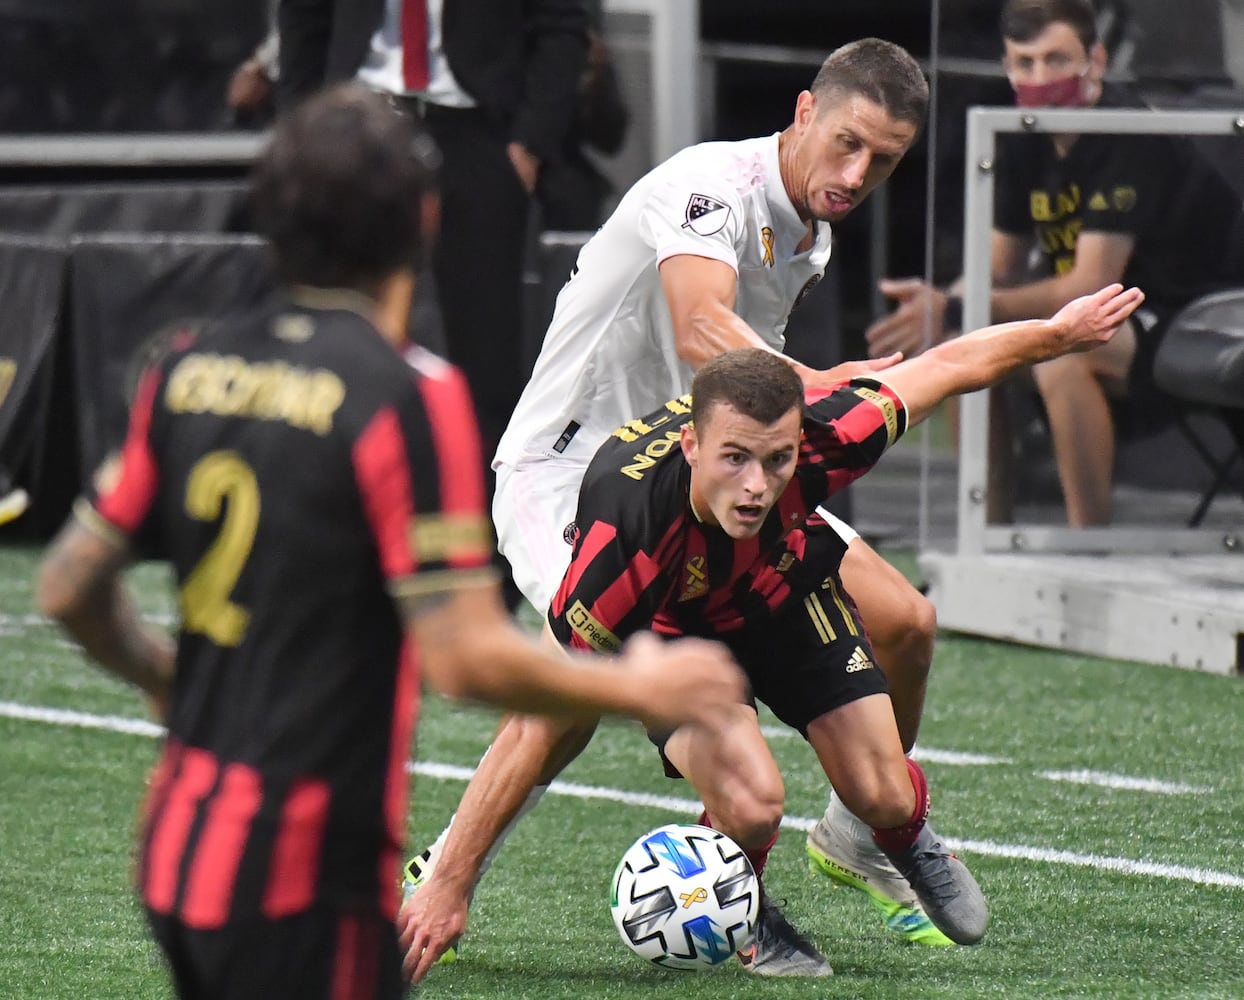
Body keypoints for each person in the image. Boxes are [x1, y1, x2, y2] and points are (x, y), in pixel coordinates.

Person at [33, 84, 745, 1000]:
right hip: (303, 873)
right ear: (425, 220)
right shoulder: (404, 394)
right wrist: (637, 683)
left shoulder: (186, 365)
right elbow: (462, 656)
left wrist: (167, 677)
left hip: (176, 848)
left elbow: (66, 584)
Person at [398, 37, 963, 976]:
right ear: (802, 113)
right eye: (849, 144)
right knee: (575, 678)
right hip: (575, 476)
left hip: (718, 475)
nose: (859, 174)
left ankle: (851, 837)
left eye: (887, 160)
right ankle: (448, 874)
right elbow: (706, 330)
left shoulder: (811, 228)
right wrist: (828, 387)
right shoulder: (710, 185)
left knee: (904, 622)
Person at [402, 283, 1145, 982]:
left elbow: (947, 365)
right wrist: (450, 882)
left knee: (885, 785)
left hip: (784, 598)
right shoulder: (622, 532)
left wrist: (1058, 333)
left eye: (777, 460)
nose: (757, 485)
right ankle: (745, 904)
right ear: (691, 447)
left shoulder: (827, 435)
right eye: (734, 459)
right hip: (681, 642)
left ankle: (884, 834)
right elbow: (541, 721)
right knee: (755, 802)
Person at [864, 0, 1244, 526]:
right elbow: (999, 268)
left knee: (1064, 353)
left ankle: (1086, 545)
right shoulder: (1022, 135)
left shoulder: (1129, 135)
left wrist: (954, 305)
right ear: (1007, 65)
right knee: (965, 346)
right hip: (1109, 313)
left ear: (1098, 61)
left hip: (1195, 313)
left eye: (1057, 60)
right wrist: (947, 307)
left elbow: (1091, 282)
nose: (1040, 77)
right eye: (1025, 63)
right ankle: (988, 535)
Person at [277, 0, 590, 476]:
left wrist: (530, 143)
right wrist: (300, 129)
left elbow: (562, 26)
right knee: (337, 325)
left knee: (487, 349)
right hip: (357, 122)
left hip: (476, 128)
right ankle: (336, 500)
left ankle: (486, 523)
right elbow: (305, 17)